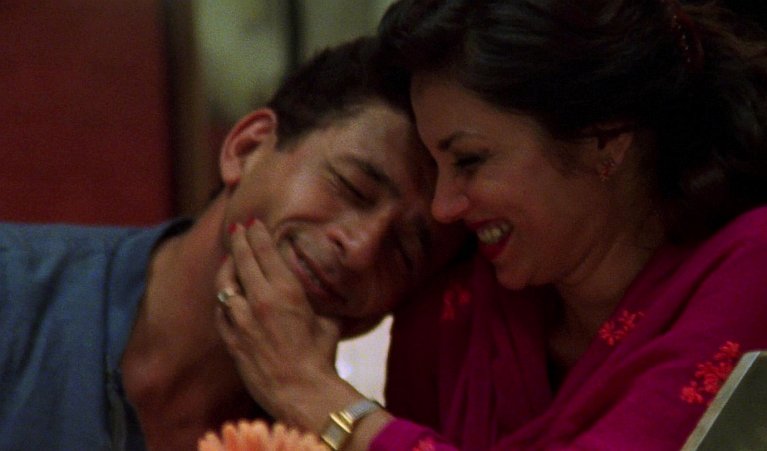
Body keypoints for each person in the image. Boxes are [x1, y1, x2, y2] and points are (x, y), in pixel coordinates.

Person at [215, 0, 767, 449]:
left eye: (470, 160)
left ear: (604, 137)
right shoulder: (452, 315)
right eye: (436, 165)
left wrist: (319, 399)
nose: (444, 207)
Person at [0, 36, 464, 450]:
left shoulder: (326, 433)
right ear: (246, 148)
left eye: (405, 252)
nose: (361, 250)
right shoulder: (15, 293)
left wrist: (310, 396)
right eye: (353, 188)